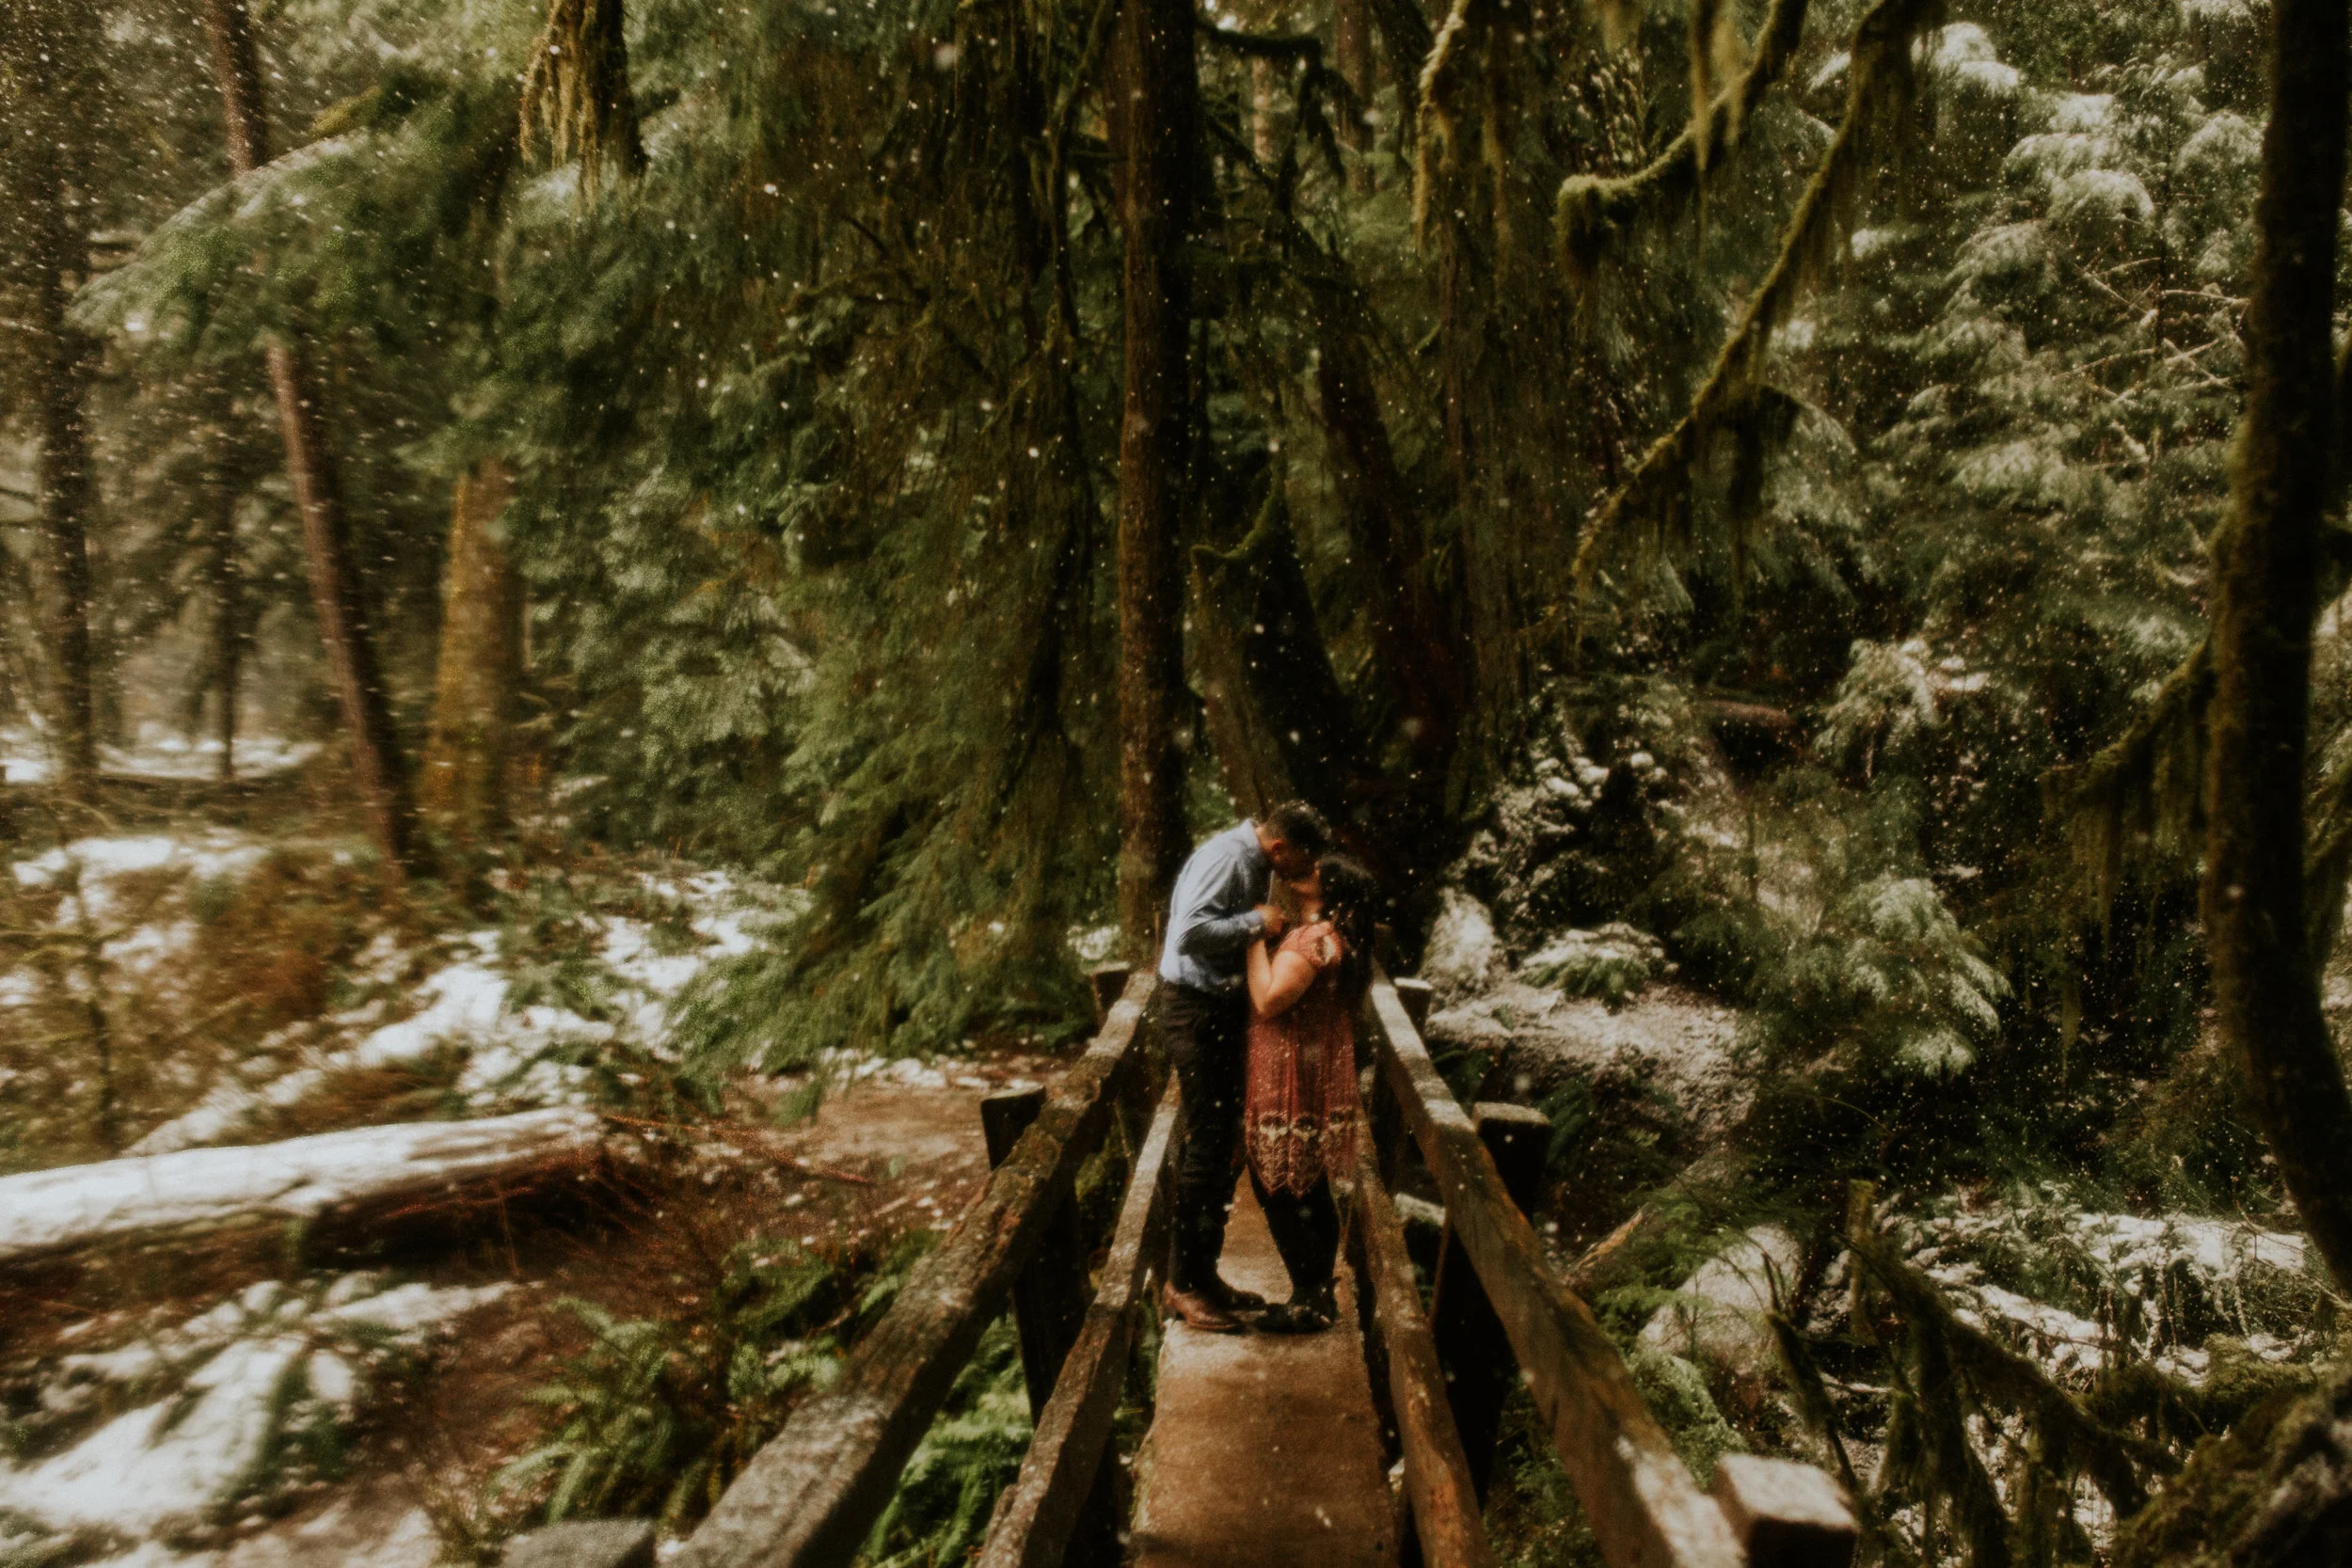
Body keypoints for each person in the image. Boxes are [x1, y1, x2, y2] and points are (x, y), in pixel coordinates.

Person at [1157, 800, 1332, 1333]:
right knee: (1209, 1145)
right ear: (1279, 847)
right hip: (1196, 1011)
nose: (1306, 870)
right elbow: (1188, 934)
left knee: (1224, 1143)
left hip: (1217, 1009)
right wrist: (1256, 923)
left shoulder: (1252, 860)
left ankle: (1202, 1275)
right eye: (1302, 860)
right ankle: (1184, 1284)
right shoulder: (1229, 858)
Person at [1243, 853, 1379, 1332]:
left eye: (1319, 869)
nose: (1308, 868)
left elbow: (1269, 999)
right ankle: (1318, 1292)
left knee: (1276, 1179)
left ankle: (1309, 1298)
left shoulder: (1313, 939)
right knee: (1307, 1178)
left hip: (1289, 1073)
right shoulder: (1329, 937)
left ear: (1331, 889)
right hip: (1303, 1067)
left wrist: (1253, 938)